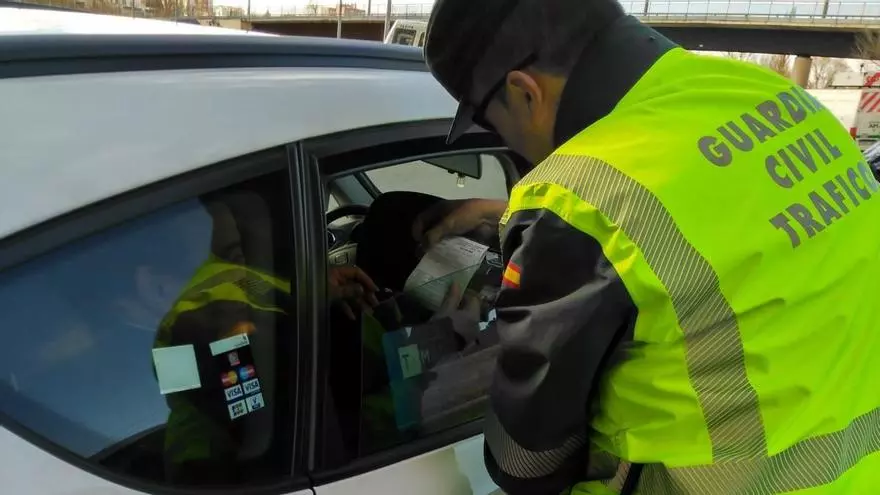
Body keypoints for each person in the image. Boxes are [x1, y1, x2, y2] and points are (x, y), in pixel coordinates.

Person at [417, 0, 880, 493]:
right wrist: (500, 211)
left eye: (491, 124)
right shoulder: (777, 98)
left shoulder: (574, 206)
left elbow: (526, 465)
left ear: (523, 92)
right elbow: (715, 206)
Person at [154, 194, 377, 484]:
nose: (236, 269)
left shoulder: (234, 285)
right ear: (156, 283)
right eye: (226, 255)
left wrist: (311, 295)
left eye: (236, 254)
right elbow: (280, 426)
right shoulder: (194, 325)